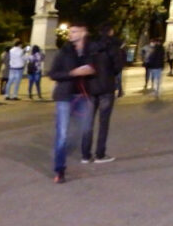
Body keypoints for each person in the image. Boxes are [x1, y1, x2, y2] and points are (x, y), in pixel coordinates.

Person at [48, 21, 96, 183]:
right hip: (65, 96)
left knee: (85, 129)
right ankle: (59, 169)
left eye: (75, 31)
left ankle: (63, 151)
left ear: (83, 32)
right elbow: (53, 73)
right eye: (70, 32)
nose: (71, 34)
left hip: (83, 96)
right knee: (62, 133)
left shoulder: (89, 51)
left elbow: (97, 68)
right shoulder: (64, 52)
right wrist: (73, 73)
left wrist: (92, 70)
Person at [83, 23, 123, 164]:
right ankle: (100, 154)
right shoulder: (112, 48)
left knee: (88, 122)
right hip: (106, 87)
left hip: (91, 87)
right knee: (103, 122)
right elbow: (118, 67)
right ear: (110, 32)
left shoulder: (90, 47)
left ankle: (85, 155)